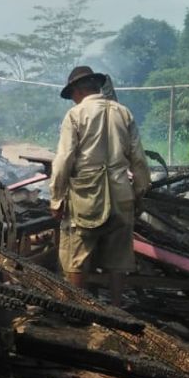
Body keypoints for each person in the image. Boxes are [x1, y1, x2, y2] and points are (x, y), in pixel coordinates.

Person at [49, 65, 151, 306]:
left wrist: (56, 198)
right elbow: (138, 158)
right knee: (118, 259)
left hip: (87, 196)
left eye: (72, 95)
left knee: (77, 257)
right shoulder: (123, 112)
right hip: (120, 192)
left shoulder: (75, 115)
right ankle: (117, 310)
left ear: (78, 90)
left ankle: (77, 309)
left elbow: (64, 160)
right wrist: (139, 193)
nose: (72, 100)